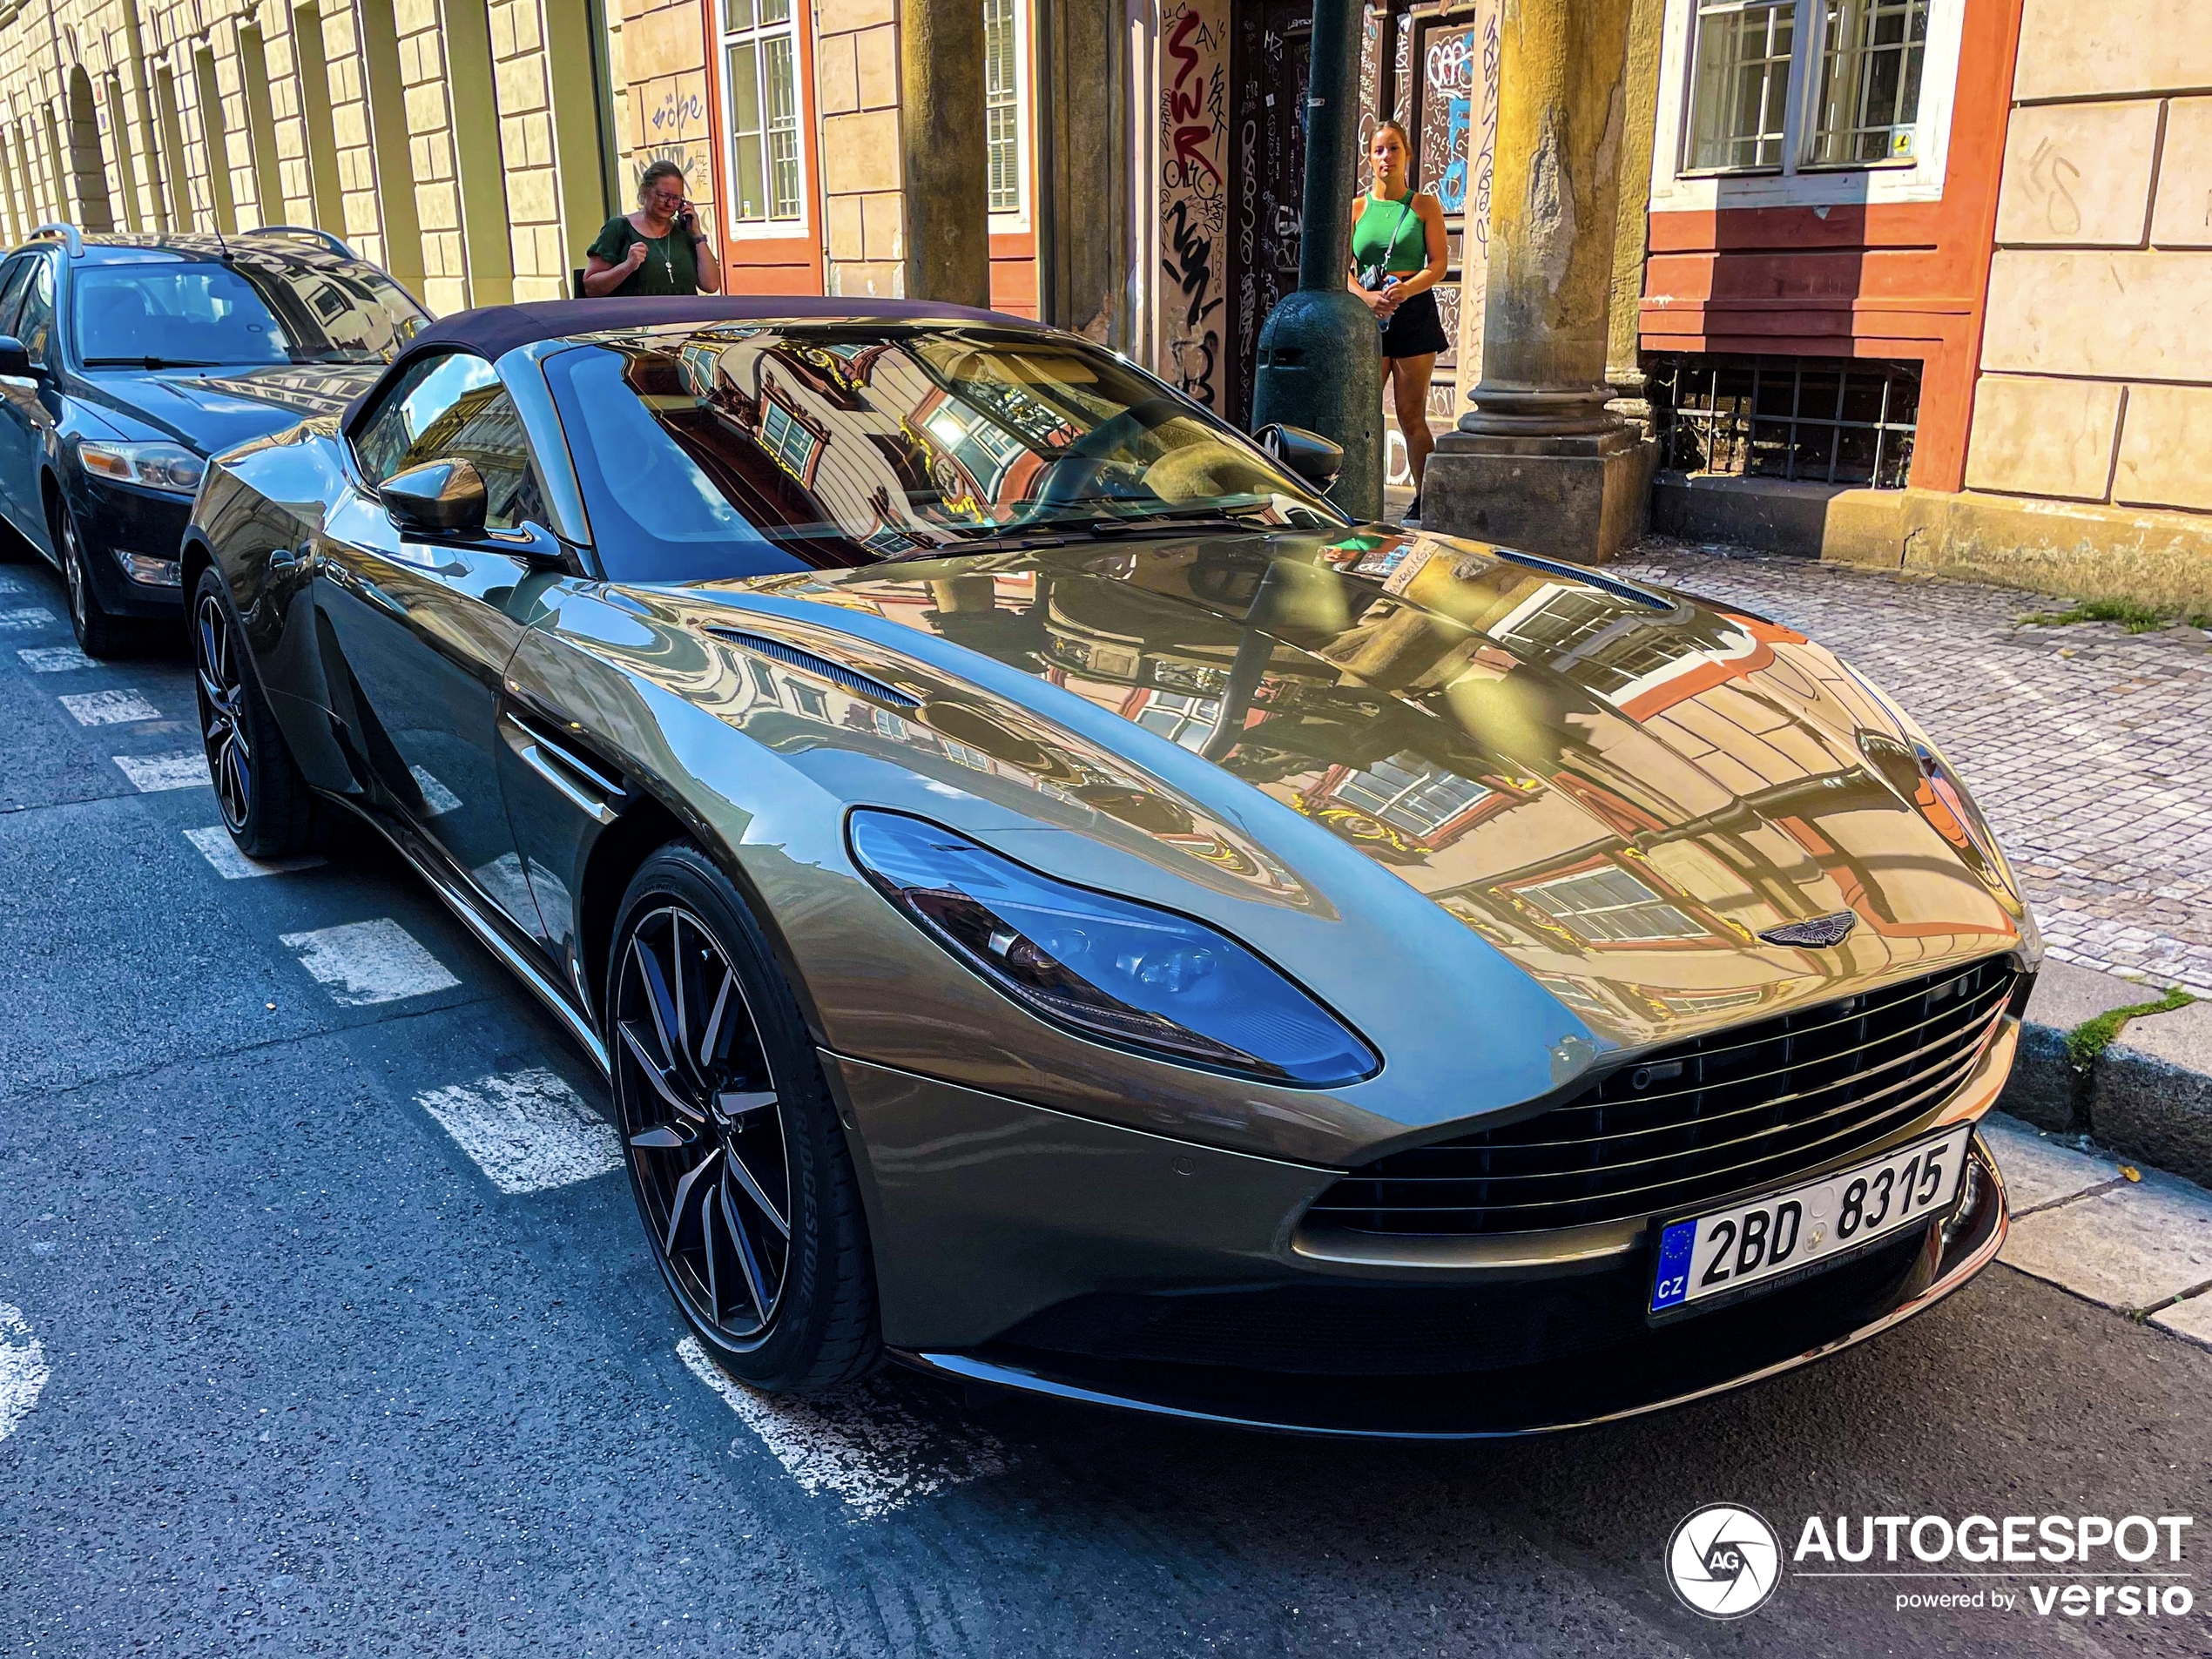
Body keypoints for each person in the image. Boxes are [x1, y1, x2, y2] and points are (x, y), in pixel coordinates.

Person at [1347, 120, 1448, 524]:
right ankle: (1353, 494)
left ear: (1407, 154)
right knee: (1359, 411)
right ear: (1369, 159)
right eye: (1378, 150)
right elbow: (1341, 270)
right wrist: (1366, 298)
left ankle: (1426, 499)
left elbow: (1439, 264)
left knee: (1410, 414)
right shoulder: (1356, 208)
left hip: (1413, 315)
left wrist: (1406, 290)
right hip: (1366, 317)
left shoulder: (1424, 206)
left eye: (1393, 149)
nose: (1385, 157)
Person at [583, 160, 724, 298]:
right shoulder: (619, 228)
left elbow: (711, 286)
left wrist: (697, 234)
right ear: (645, 191)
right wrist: (627, 266)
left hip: (684, 319)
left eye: (676, 198)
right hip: (639, 319)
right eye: (663, 196)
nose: (669, 204)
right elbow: (591, 287)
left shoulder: (683, 232)